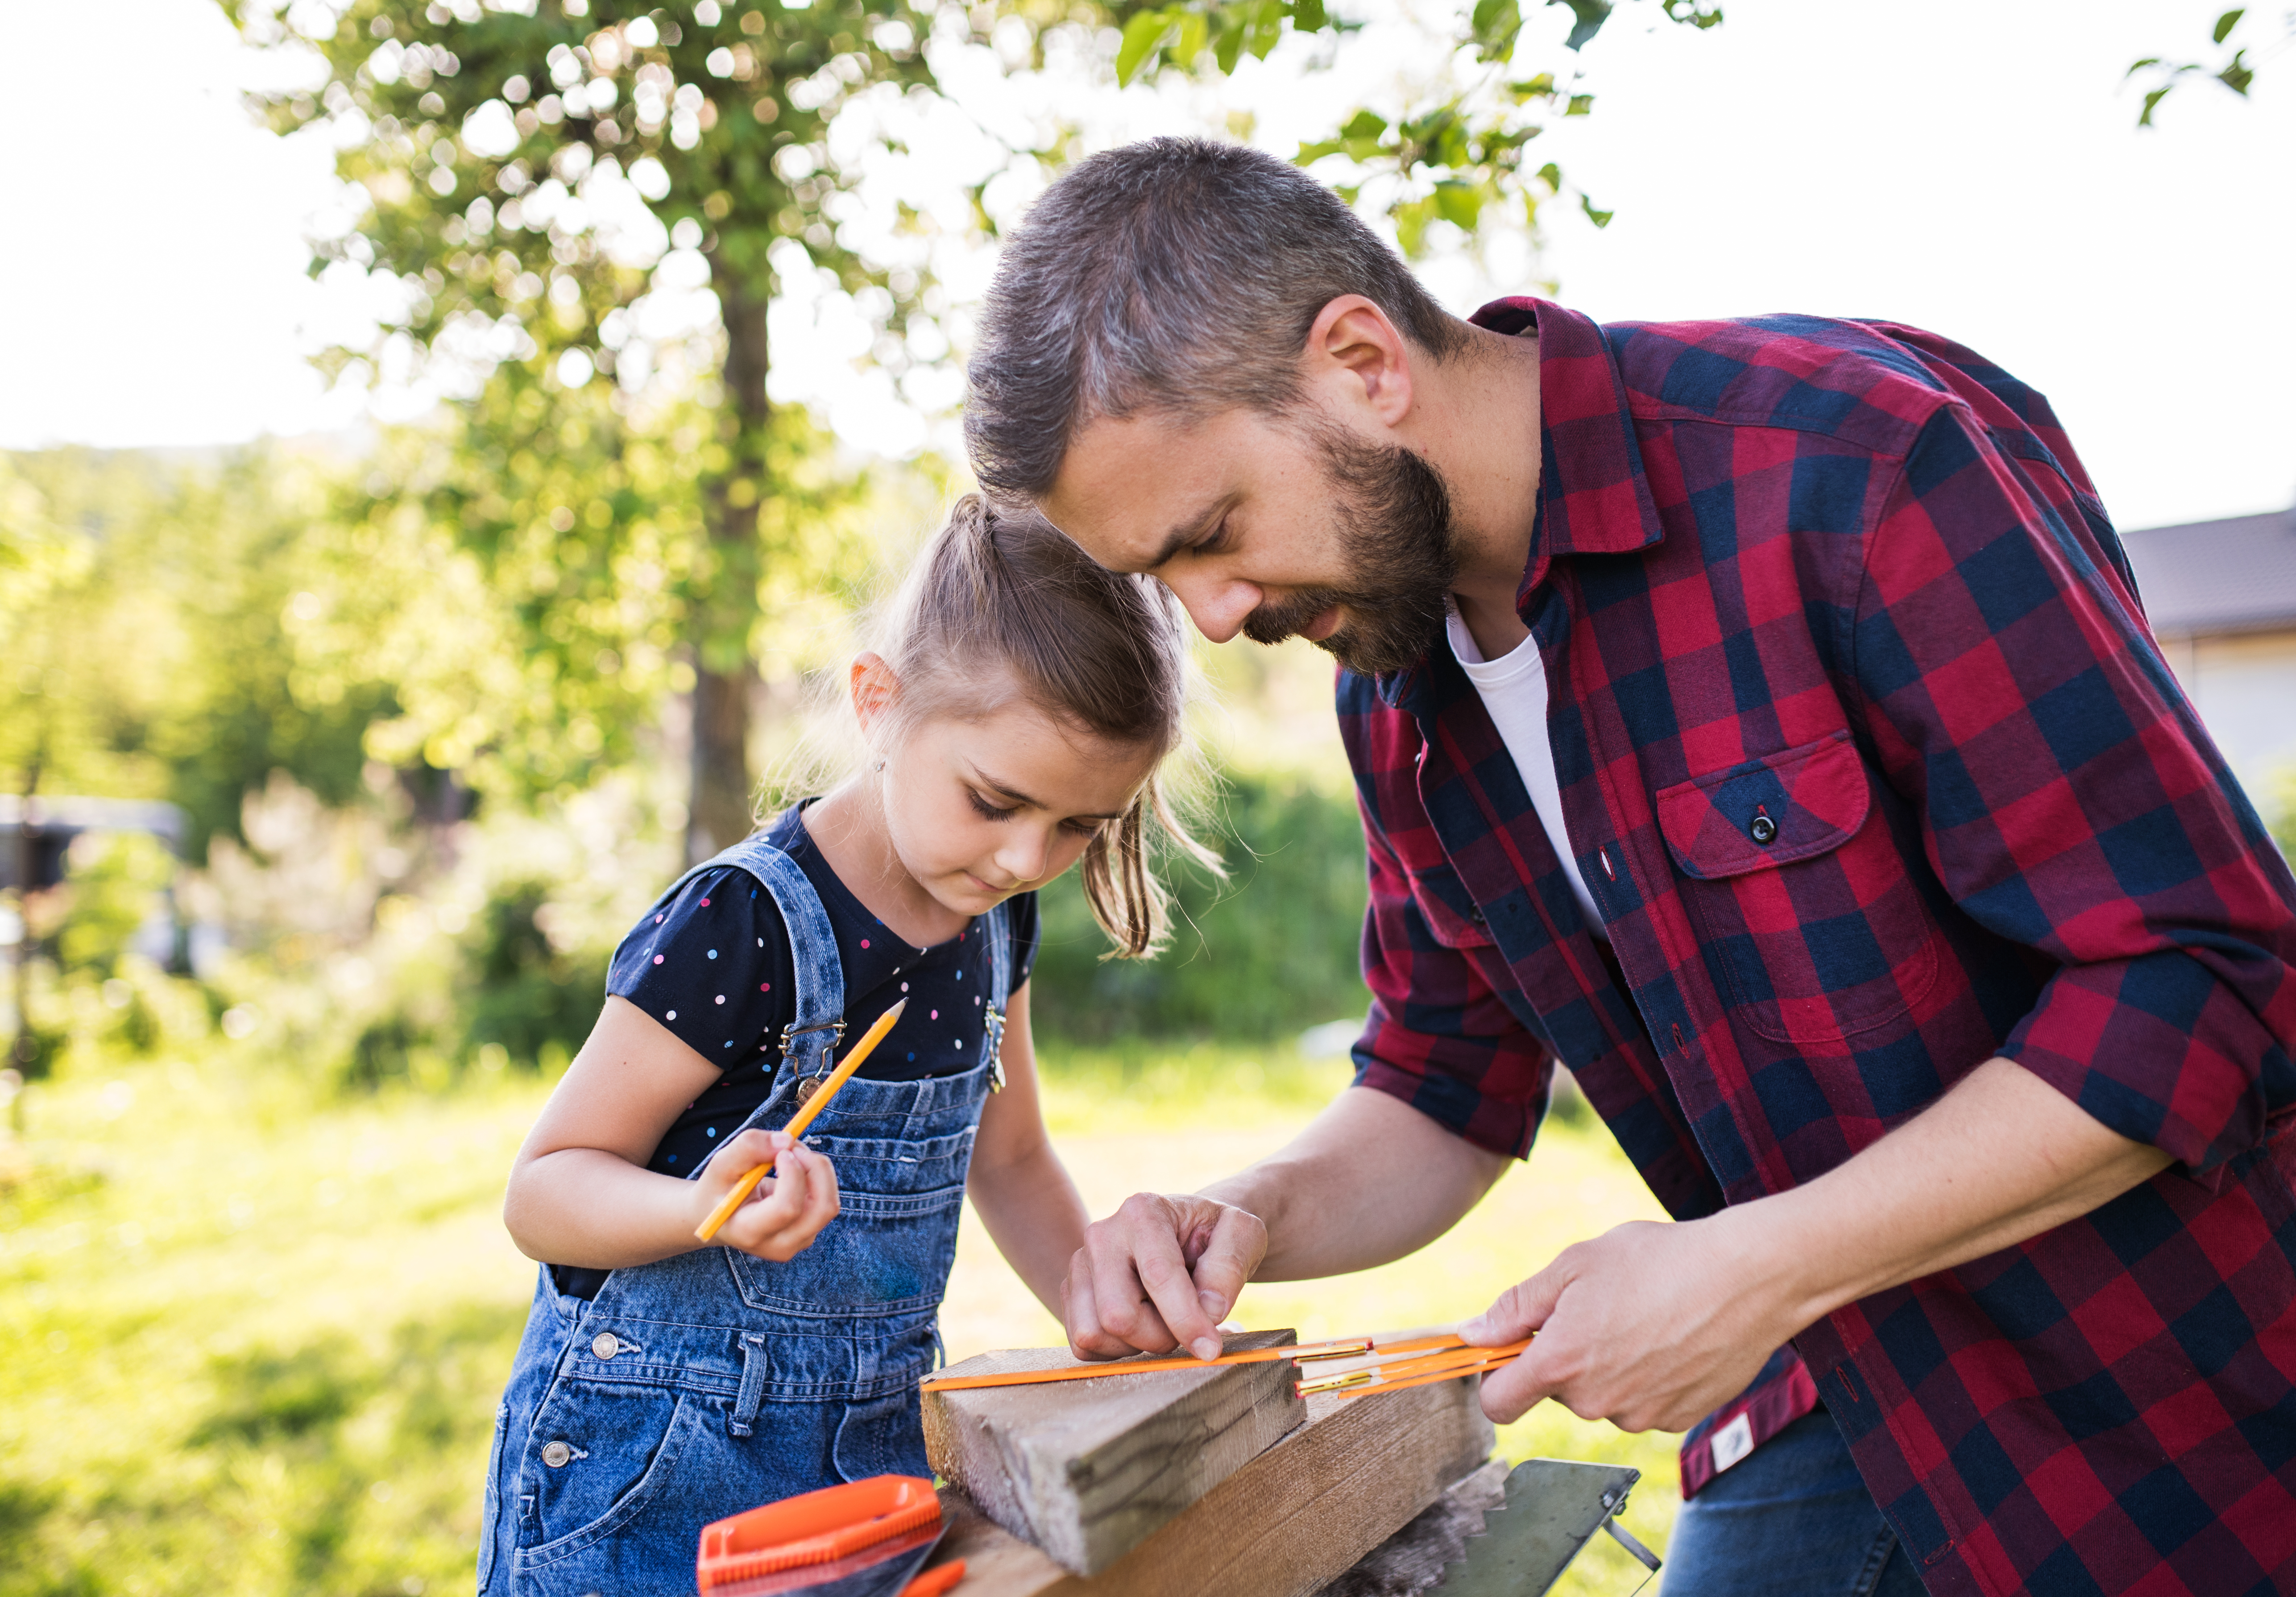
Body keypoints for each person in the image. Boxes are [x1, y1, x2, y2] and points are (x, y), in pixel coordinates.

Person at [962, 138, 2296, 1597]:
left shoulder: (1853, 469)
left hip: (2161, 1395)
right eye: (1165, 580)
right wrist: (1251, 1214)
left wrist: (1753, 1267)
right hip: (1820, 1381)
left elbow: (2194, 980)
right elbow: (1442, 1082)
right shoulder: (1395, 687)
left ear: (1359, 361)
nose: (1212, 620)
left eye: (1210, 536)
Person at [476, 494, 1213, 1597]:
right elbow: (542, 1191)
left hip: (870, 1465)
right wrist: (700, 1208)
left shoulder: (993, 920)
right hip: (651, 1478)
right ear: (880, 703)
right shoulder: (744, 923)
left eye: (1077, 827)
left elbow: (1008, 1161)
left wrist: (1098, 1306)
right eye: (995, 800)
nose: (1023, 856)